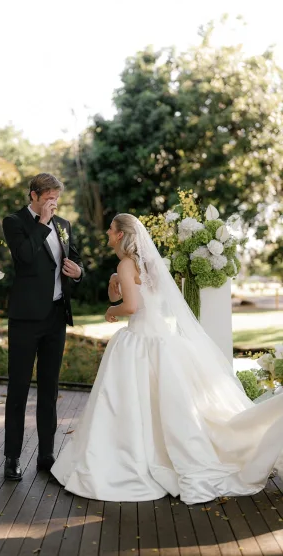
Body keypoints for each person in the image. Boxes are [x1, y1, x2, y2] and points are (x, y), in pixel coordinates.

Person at [51, 213, 283, 504]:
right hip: (163, 342)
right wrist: (116, 283)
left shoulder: (125, 263)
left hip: (139, 343)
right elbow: (146, 294)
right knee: (166, 406)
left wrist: (112, 311)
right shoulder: (149, 263)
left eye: (110, 229)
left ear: (121, 235)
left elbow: (132, 306)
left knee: (129, 405)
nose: (107, 234)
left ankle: (130, 459)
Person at [2, 173, 84, 481]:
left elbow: (74, 260)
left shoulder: (63, 225)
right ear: (34, 195)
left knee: (49, 389)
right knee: (19, 389)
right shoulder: (15, 222)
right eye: (48, 198)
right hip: (25, 320)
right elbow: (24, 258)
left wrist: (79, 272)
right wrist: (41, 223)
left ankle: (46, 454)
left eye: (56, 199)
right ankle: (12, 457)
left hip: (55, 316)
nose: (53, 204)